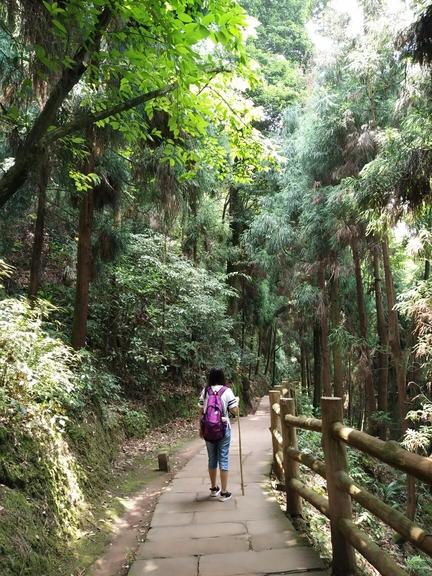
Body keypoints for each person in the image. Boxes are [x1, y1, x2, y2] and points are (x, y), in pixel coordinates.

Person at [199, 368, 239, 502]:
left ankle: (213, 489)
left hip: (208, 429)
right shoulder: (227, 391)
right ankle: (224, 492)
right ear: (222, 377)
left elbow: (201, 411)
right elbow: (235, 412)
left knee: (212, 458)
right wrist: (236, 403)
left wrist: (201, 428)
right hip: (223, 428)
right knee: (224, 458)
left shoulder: (205, 391)